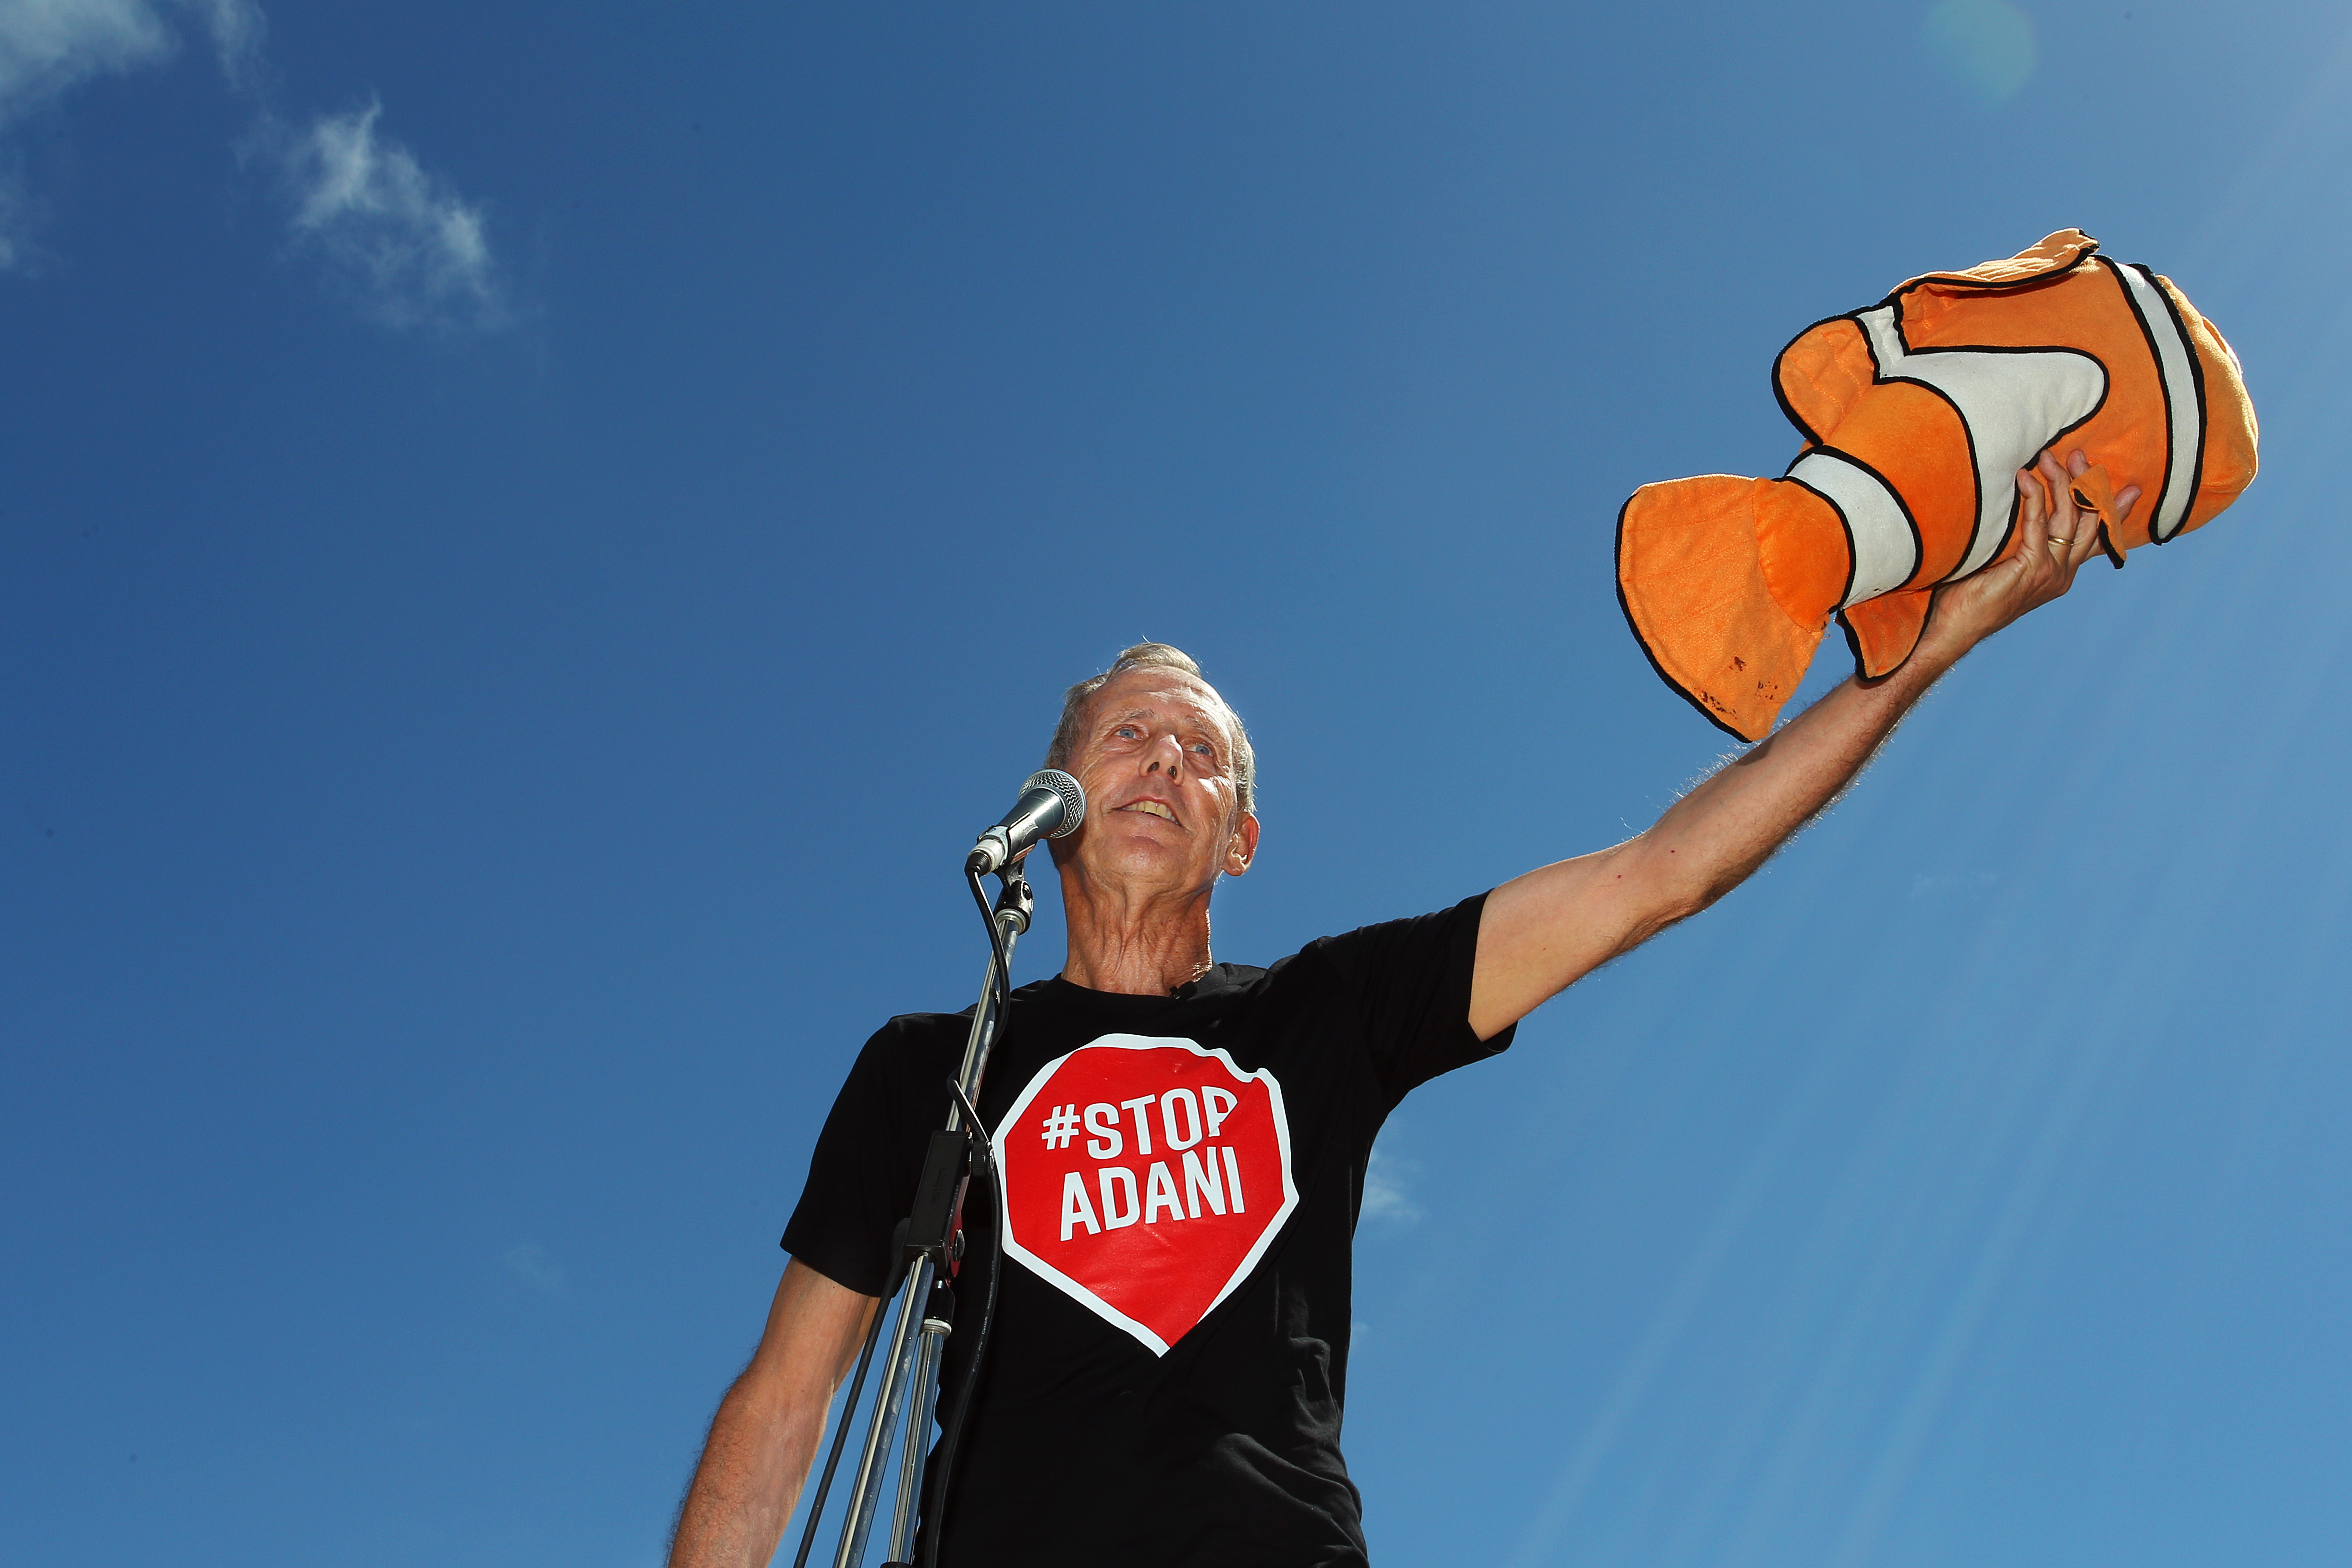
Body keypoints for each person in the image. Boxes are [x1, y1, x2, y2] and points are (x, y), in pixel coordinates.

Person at [666, 451, 2137, 1568]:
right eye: (1126, 736)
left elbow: (1655, 877)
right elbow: (789, 1397)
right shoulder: (935, 1061)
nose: (1162, 764)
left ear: (1241, 837)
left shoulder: (1330, 1014)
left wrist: (1936, 644)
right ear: (1056, 799)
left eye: (1203, 755)